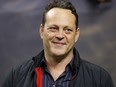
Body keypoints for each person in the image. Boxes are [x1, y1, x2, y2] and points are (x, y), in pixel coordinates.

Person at [2, 0, 114, 87]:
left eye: (67, 30)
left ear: (76, 34)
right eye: (53, 28)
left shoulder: (99, 79)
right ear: (42, 31)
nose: (60, 35)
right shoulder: (17, 76)